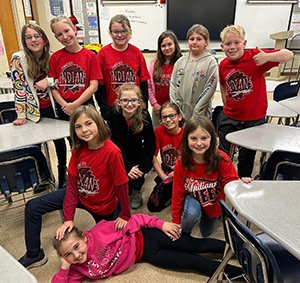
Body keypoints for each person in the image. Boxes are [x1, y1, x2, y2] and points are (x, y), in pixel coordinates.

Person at [18, 105, 131, 269]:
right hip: (80, 195)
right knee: (32, 206)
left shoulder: (112, 151)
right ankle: (34, 255)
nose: (84, 130)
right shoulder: (78, 150)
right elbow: (71, 187)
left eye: (88, 123)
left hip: (104, 205)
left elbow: (121, 185)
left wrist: (125, 214)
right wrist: (68, 218)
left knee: (108, 251)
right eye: (78, 126)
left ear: (98, 123)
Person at [51, 214, 242, 282]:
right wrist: (64, 267)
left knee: (197, 245)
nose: (76, 255)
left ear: (84, 237)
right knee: (194, 262)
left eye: (76, 246)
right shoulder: (75, 268)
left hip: (148, 235)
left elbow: (134, 220)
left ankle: (245, 250)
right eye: (68, 254)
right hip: (147, 254)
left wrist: (161, 225)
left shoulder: (99, 231)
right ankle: (245, 275)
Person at [218, 24, 294, 178]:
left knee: (247, 156)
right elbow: (223, 83)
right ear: (222, 47)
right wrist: (226, 104)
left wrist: (268, 57)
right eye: (228, 44)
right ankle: (223, 179)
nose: (232, 47)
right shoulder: (223, 64)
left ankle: (242, 183)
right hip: (230, 117)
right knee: (223, 154)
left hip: (253, 118)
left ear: (244, 44)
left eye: (236, 42)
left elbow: (289, 55)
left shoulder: (256, 56)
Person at [172, 116, 251, 237]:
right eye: (193, 138)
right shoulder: (181, 162)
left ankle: (209, 216)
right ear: (186, 139)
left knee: (206, 232)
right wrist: (176, 222)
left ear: (212, 138)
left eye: (204, 138)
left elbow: (231, 184)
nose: (199, 143)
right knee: (191, 214)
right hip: (192, 196)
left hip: (213, 202)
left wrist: (241, 183)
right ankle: (185, 235)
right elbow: (177, 193)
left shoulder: (222, 159)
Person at [10, 23, 67, 188]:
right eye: (29, 37)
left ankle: (62, 172)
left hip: (52, 108)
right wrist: (21, 115)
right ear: (24, 41)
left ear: (44, 39)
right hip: (33, 111)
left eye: (37, 36)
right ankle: (44, 176)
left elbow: (63, 82)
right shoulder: (18, 59)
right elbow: (19, 89)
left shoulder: (53, 57)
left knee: (59, 142)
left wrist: (47, 81)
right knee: (35, 146)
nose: (33, 40)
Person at [107, 83, 155, 210]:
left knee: (137, 178)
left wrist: (142, 167)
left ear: (139, 102)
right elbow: (115, 144)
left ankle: (137, 190)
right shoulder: (113, 116)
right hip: (119, 154)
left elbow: (150, 143)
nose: (129, 104)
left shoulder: (144, 115)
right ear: (118, 102)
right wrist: (127, 168)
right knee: (121, 180)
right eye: (125, 100)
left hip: (137, 154)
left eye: (133, 100)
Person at [95, 14, 150, 120]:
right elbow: (99, 86)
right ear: (110, 33)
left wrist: (144, 107)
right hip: (113, 108)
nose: (119, 35)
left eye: (123, 31)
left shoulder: (136, 52)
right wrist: (104, 109)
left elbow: (144, 83)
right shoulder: (103, 54)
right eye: (115, 31)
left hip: (134, 107)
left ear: (130, 31)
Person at [49, 15, 102, 121]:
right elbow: (53, 87)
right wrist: (65, 106)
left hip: (85, 105)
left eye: (67, 31)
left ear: (74, 29)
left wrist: (74, 105)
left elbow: (93, 86)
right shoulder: (55, 57)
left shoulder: (90, 56)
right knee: (70, 136)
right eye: (59, 34)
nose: (65, 37)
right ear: (56, 37)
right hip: (64, 107)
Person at [170, 24, 218, 121]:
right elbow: (173, 85)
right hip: (181, 113)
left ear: (206, 42)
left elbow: (210, 87)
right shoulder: (180, 61)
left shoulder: (210, 62)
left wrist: (197, 110)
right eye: (192, 39)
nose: (195, 42)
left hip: (201, 115)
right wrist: (176, 108)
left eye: (199, 39)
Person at [147, 102, 184, 212]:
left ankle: (177, 192)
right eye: (164, 117)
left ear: (179, 117)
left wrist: (178, 172)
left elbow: (193, 159)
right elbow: (153, 156)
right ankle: (171, 191)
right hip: (167, 172)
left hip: (184, 172)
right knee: (152, 206)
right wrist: (163, 176)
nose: (168, 120)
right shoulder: (159, 131)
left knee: (184, 210)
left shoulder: (186, 133)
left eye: (172, 116)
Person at [148, 30, 182, 128]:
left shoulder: (182, 64)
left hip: (176, 111)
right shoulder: (153, 65)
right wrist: (155, 105)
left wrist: (177, 109)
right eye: (163, 46)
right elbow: (149, 87)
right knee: (158, 134)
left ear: (175, 44)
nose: (167, 48)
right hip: (158, 109)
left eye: (169, 44)